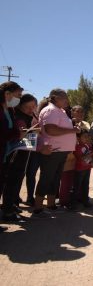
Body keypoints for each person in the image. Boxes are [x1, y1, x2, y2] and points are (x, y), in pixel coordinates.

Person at [33, 89, 80, 217]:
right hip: (53, 150)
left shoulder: (60, 111)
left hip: (60, 151)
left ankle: (51, 205)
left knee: (55, 178)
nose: (67, 100)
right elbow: (50, 129)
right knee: (47, 178)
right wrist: (72, 131)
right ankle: (38, 208)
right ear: (54, 97)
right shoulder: (51, 110)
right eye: (63, 97)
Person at [2, 94, 39, 221]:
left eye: (33, 106)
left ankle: (11, 205)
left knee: (18, 179)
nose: (31, 109)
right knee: (12, 180)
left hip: (24, 152)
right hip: (15, 153)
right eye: (27, 106)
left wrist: (33, 132)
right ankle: (7, 210)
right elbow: (19, 135)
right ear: (20, 105)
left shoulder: (31, 116)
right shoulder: (17, 116)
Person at [0, 81, 24, 225]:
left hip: (5, 154)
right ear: (7, 94)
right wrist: (16, 135)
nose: (18, 99)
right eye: (17, 95)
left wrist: (18, 133)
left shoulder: (9, 109)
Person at [69, 130, 93, 210]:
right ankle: (72, 204)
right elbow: (82, 158)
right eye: (84, 137)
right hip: (79, 170)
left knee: (85, 186)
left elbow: (90, 157)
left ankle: (85, 201)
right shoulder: (77, 147)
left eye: (88, 136)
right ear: (78, 138)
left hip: (87, 169)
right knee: (76, 187)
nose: (87, 138)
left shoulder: (87, 146)